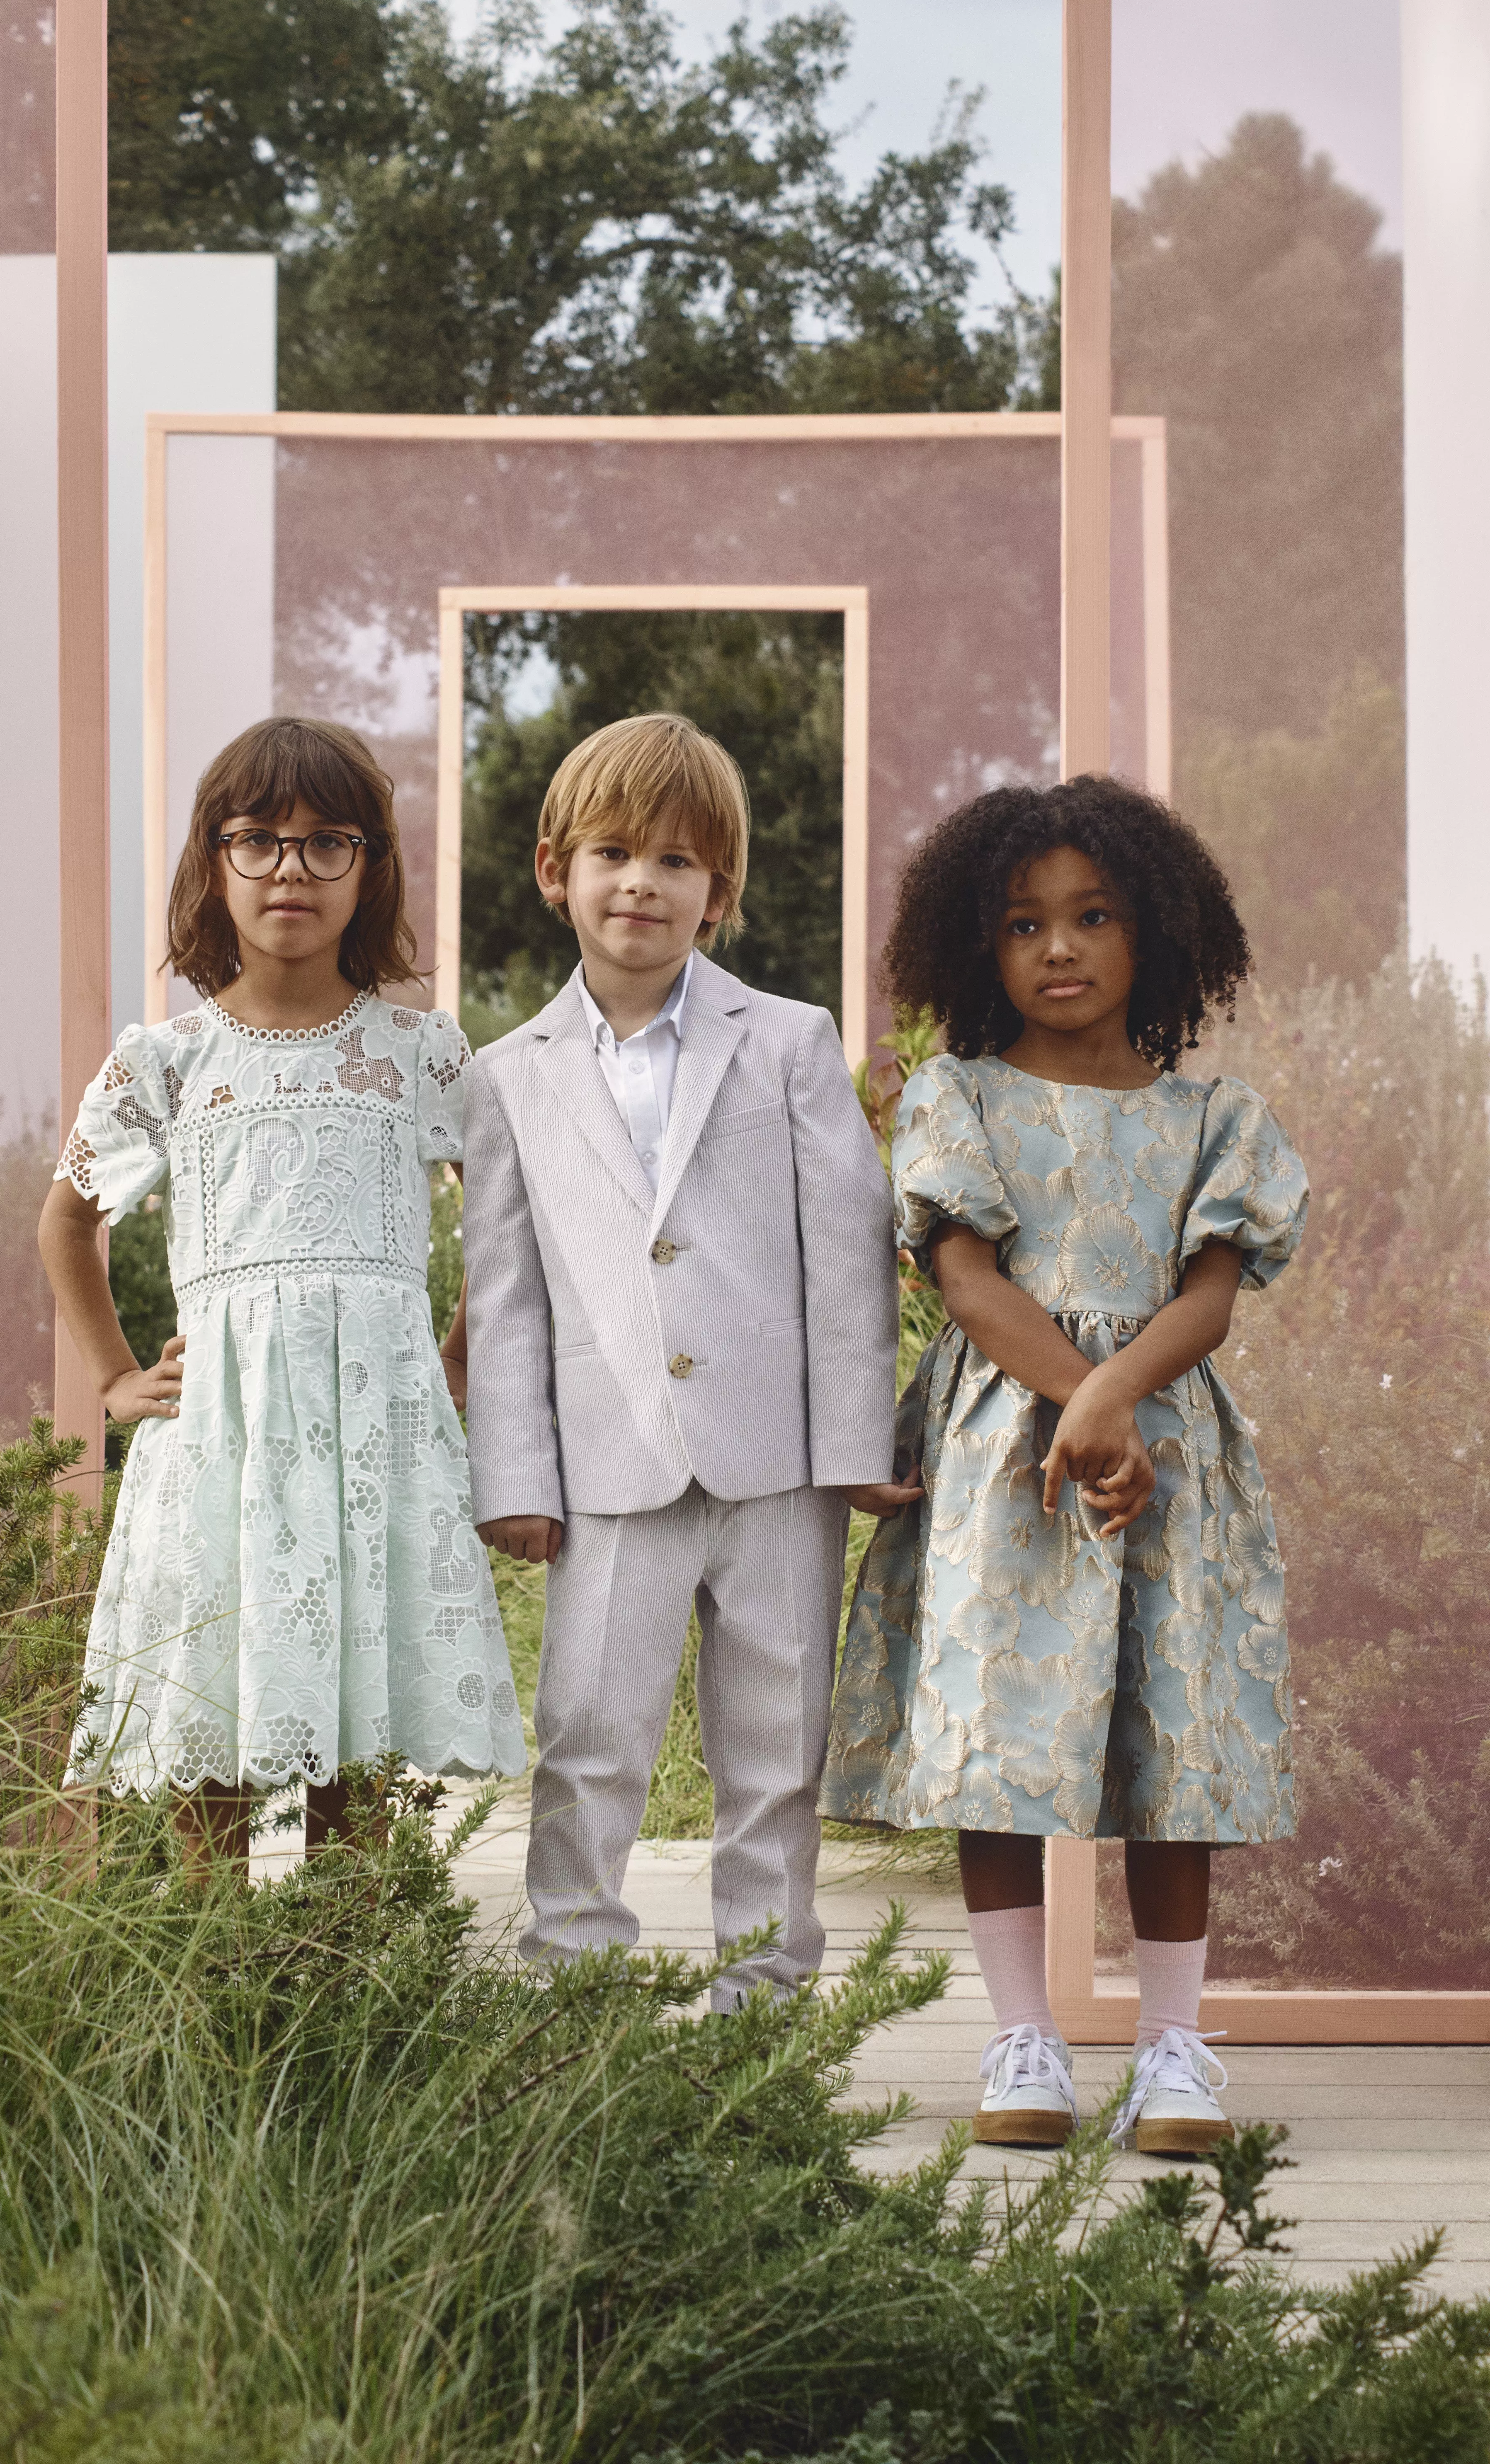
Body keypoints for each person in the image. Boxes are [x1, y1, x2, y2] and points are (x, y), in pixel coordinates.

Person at [823, 776, 1308, 2155]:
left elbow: (1209, 1299)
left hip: (1164, 1454)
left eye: (1093, 916)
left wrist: (1118, 1398)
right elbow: (964, 1275)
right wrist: (1080, 1403)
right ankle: (1024, 2038)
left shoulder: (1214, 1121)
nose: (1060, 946)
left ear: (1154, 931)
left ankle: (1173, 2049)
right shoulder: (958, 1101)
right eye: (1026, 923)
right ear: (978, 946)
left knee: (1171, 1744)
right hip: (1010, 1463)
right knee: (1002, 1748)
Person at [462, 712, 905, 2009]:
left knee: (774, 1749)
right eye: (612, 852)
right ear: (557, 871)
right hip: (607, 1470)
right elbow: (506, 1297)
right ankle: (574, 1995)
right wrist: (514, 1473)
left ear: (721, 894)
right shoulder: (507, 1078)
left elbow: (849, 1258)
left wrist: (856, 1450)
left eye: (677, 861)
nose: (642, 882)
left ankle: (765, 2009)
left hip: (779, 1468)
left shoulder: (789, 1041)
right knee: (588, 1743)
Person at [40, 716, 524, 1868]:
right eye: (257, 841)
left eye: (326, 844)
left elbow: (509, 1228)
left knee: (355, 1753)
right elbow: (67, 1219)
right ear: (216, 863)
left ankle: (346, 2023)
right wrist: (113, 1376)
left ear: (371, 867)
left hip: (376, 1436)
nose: (290, 871)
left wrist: (454, 1358)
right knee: (214, 1732)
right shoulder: (166, 1060)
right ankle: (219, 2017)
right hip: (223, 1438)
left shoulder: (425, 1054)